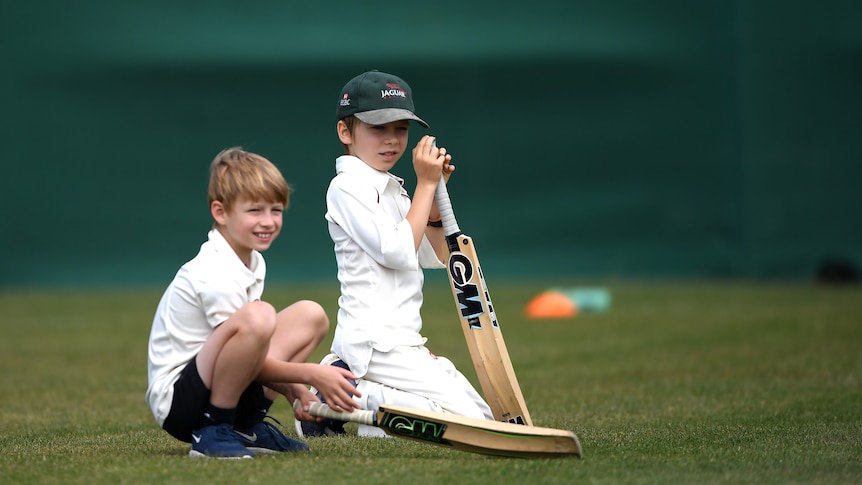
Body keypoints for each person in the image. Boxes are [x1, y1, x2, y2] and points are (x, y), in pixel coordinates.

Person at [296, 70, 493, 438]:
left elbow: (437, 255)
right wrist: (426, 184)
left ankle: (344, 396)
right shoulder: (346, 186)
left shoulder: (394, 190)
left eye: (401, 128)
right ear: (345, 132)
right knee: (471, 425)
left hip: (403, 341)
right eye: (377, 128)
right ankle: (329, 399)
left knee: (477, 413)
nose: (391, 140)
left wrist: (433, 199)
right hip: (374, 344)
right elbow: (398, 252)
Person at [146, 147, 361, 458]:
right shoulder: (214, 270)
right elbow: (245, 351)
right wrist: (311, 375)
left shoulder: (252, 260)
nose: (268, 221)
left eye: (276, 210)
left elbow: (248, 354)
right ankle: (213, 430)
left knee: (310, 315)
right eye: (255, 211)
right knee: (260, 316)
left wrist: (293, 391)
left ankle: (246, 426)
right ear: (220, 213)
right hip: (180, 404)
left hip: (218, 380)